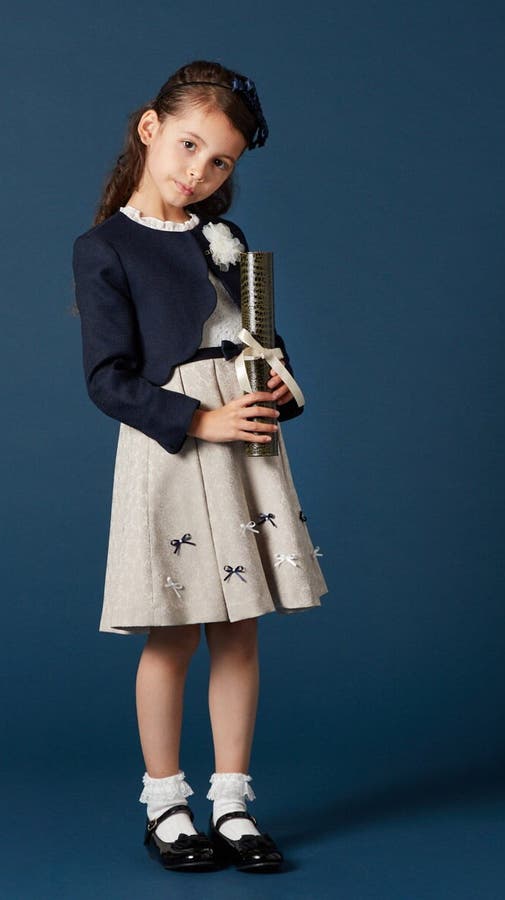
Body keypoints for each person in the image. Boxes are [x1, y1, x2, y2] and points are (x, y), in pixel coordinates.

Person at [72, 60, 328, 873]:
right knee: (175, 629)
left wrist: (278, 378)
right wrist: (198, 418)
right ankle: (167, 804)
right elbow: (107, 379)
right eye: (188, 146)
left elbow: (257, 336)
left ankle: (233, 803)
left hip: (243, 444)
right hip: (176, 447)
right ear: (150, 128)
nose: (199, 172)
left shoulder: (227, 240)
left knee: (238, 626)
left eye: (220, 162)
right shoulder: (104, 247)